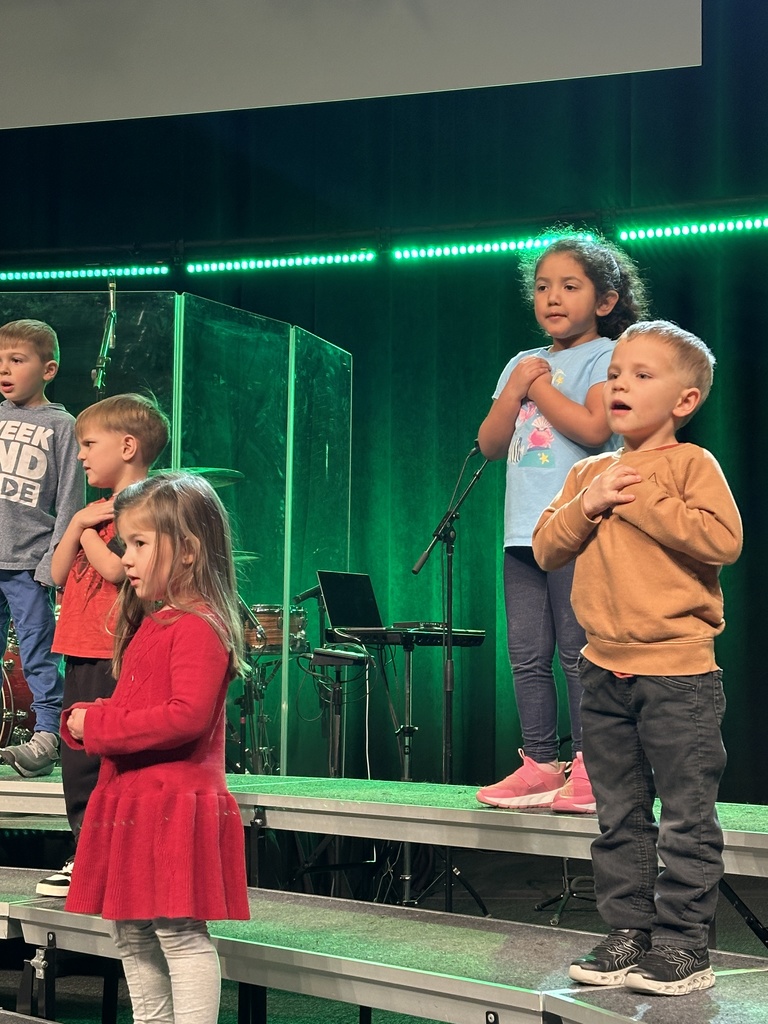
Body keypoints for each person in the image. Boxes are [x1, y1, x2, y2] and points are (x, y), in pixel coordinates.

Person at [532, 321, 742, 995]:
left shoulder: (691, 465)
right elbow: (545, 548)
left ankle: (685, 945)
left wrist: (642, 496)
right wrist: (589, 504)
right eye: (616, 371)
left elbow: (721, 541)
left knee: (684, 814)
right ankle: (630, 932)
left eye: (642, 375)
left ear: (684, 401)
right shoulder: (588, 471)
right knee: (618, 814)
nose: (620, 382)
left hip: (678, 675)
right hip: (603, 671)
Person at [62, 472, 250, 1024]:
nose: (126, 558)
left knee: (178, 932)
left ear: (188, 552)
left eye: (140, 545)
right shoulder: (156, 620)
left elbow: (184, 717)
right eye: (125, 544)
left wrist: (96, 725)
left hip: (170, 802)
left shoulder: (197, 626)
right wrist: (99, 715)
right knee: (132, 930)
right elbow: (138, 702)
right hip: (135, 799)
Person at [475, 232, 648, 813]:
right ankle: (539, 762)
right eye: (542, 287)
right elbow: (491, 443)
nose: (552, 297)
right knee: (527, 654)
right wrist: (520, 383)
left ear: (604, 300)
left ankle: (591, 768)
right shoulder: (522, 364)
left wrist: (540, 387)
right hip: (522, 534)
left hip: (578, 529)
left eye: (569, 286)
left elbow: (596, 429)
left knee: (579, 651)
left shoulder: (605, 355)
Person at [36, 394, 170, 898]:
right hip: (80, 646)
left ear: (128, 445)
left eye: (90, 444)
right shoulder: (94, 513)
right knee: (78, 757)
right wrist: (77, 522)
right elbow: (53, 572)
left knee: (101, 756)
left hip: (113, 649)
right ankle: (86, 850)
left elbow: (116, 570)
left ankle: (99, 853)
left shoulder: (146, 504)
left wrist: (84, 526)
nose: (83, 456)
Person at [0, 318, 84, 778]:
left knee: (38, 651)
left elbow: (71, 499)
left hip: (29, 561)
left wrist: (57, 565)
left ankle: (47, 735)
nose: (5, 370)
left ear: (48, 369)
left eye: (17, 360)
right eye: (0, 362)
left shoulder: (61, 425)